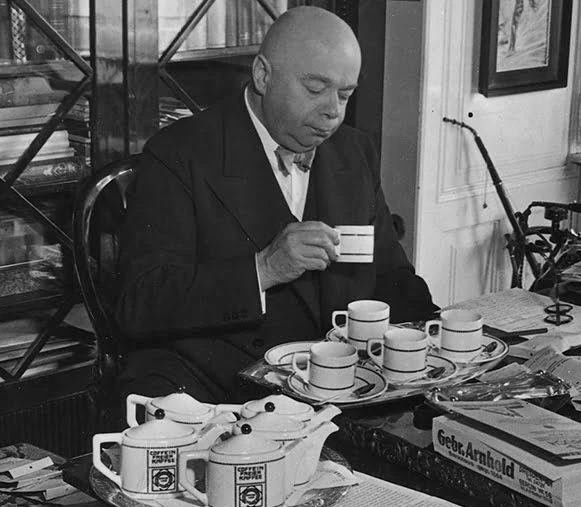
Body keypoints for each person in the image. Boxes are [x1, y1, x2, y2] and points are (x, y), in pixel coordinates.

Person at [113, 6, 437, 411]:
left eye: (345, 94)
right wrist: (263, 269)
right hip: (217, 392)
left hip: (335, 390)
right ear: (263, 75)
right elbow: (140, 303)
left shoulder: (355, 152)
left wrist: (441, 339)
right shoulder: (179, 152)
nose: (333, 111)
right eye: (315, 89)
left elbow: (391, 276)